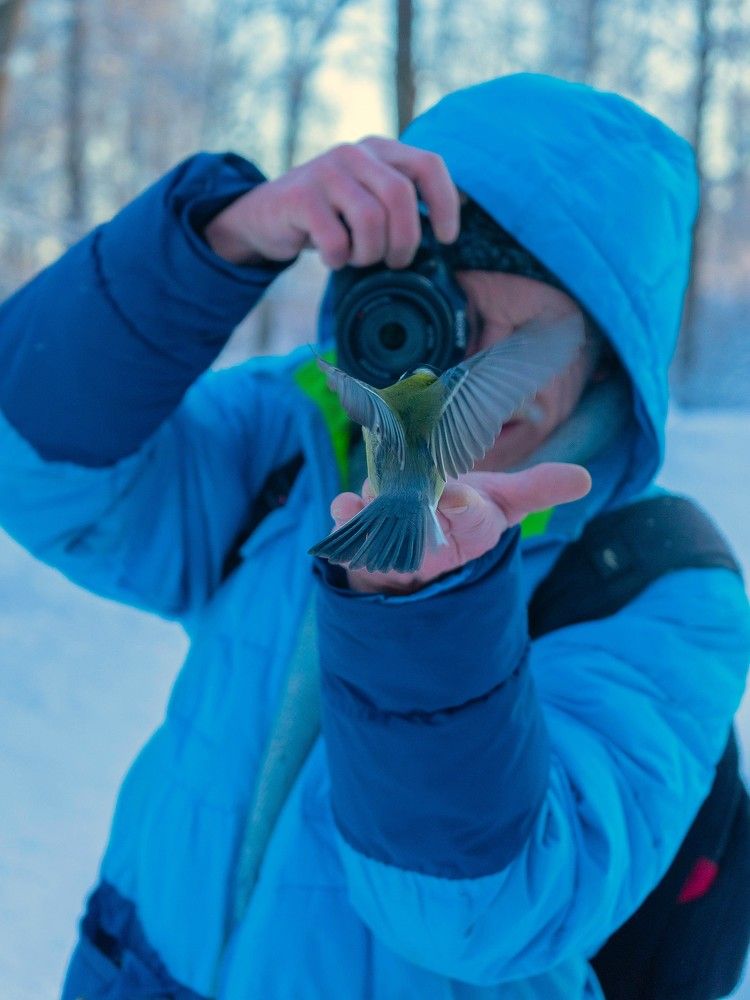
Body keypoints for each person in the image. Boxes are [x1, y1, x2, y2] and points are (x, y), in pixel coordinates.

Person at [0, 72, 748, 1000]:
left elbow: (484, 912)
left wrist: (427, 617)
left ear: (604, 349)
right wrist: (216, 243)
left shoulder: (658, 586)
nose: (456, 379)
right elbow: (35, 471)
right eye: (429, 319)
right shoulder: (298, 432)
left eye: (516, 336)